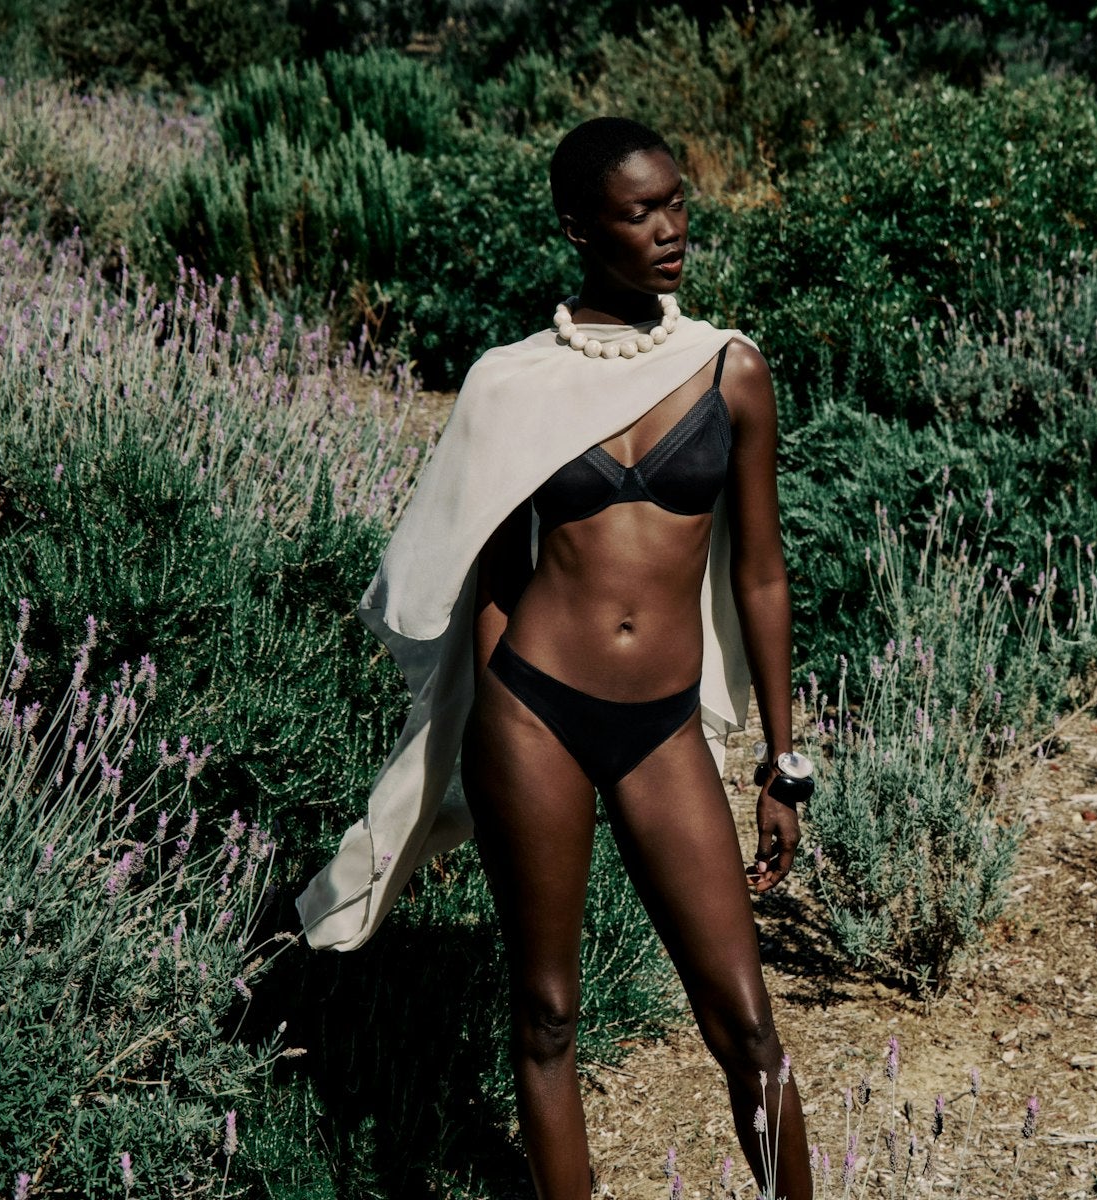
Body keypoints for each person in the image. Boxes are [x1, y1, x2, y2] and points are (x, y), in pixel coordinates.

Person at [295, 117, 814, 1200]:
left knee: (749, 1024)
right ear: (579, 228)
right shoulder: (511, 384)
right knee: (546, 1015)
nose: (671, 229)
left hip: (662, 723)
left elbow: (762, 575)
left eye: (678, 203)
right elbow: (475, 569)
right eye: (640, 212)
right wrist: (498, 708)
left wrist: (783, 758)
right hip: (533, 712)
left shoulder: (731, 370)